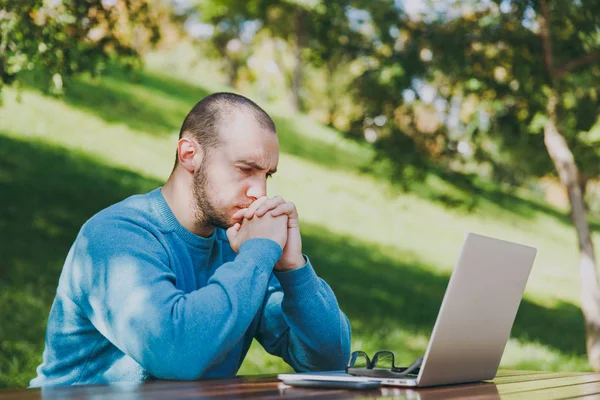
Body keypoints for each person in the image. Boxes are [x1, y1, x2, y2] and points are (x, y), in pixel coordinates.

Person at [30, 92, 351, 387]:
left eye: (266, 175)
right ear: (189, 154)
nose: (260, 192)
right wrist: (257, 254)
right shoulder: (115, 236)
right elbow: (175, 353)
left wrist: (294, 270)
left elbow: (327, 361)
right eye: (245, 169)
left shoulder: (241, 247)